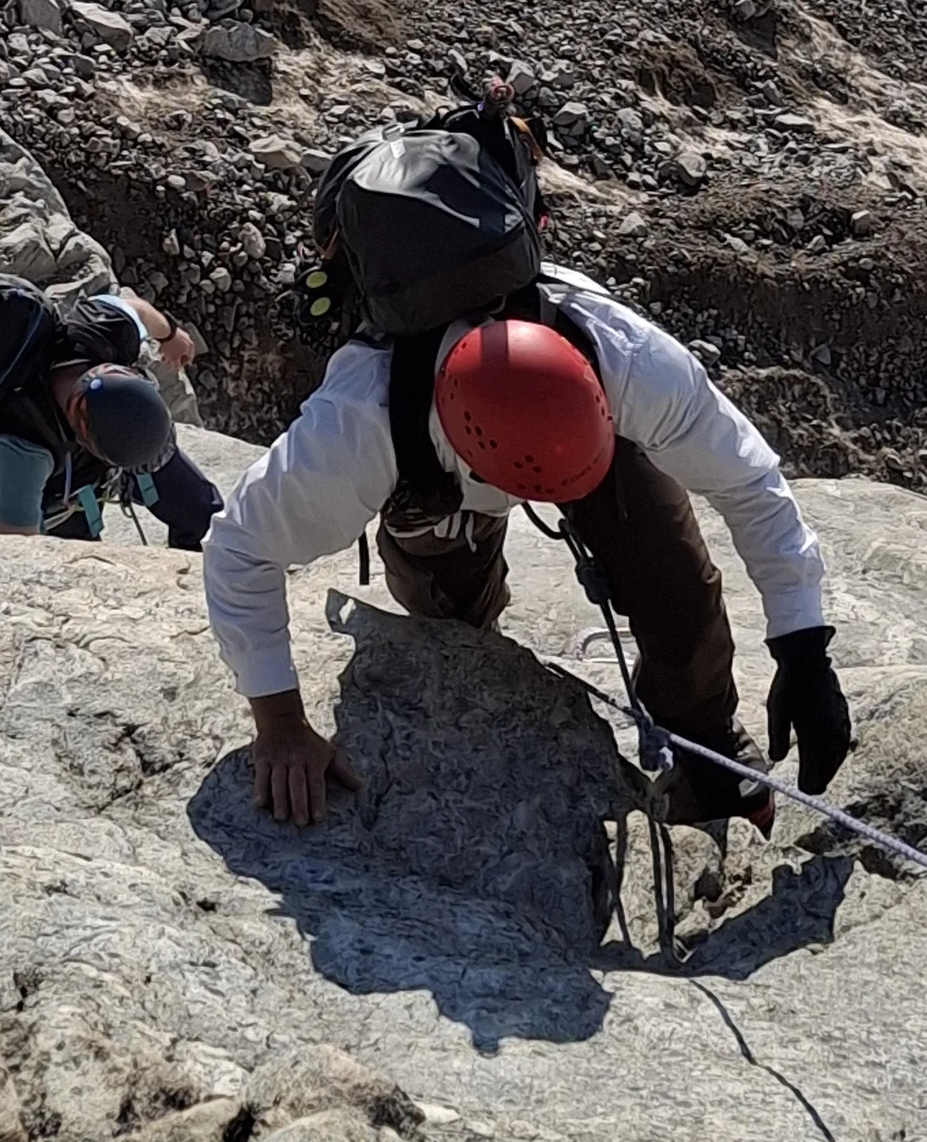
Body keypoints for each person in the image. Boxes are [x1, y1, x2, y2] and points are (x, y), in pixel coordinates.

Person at [202, 277, 851, 825]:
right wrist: (280, 720)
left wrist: (803, 647)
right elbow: (239, 549)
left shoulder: (631, 364)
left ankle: (708, 743)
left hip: (586, 441)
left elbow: (749, 481)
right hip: (432, 474)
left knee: (672, 581)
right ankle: (469, 605)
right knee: (449, 619)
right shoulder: (361, 426)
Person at [0, 251, 222, 548]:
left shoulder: (105, 329)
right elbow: (16, 546)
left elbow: (138, 312)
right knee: (82, 550)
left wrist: (171, 335)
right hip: (63, 493)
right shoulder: (25, 448)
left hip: (95, 454)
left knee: (205, 518)